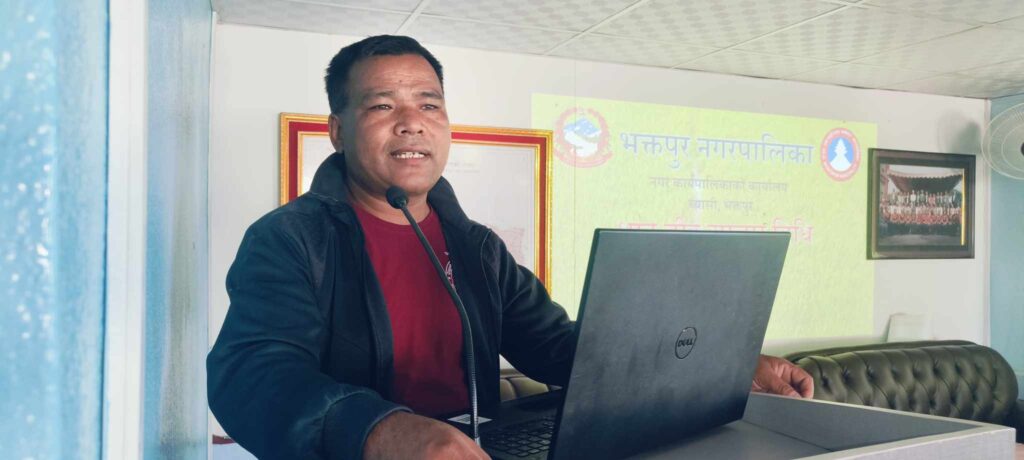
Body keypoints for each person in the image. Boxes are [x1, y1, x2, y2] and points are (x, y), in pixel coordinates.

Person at [207, 35, 814, 460]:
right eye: (382, 106)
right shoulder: (291, 239)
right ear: (338, 131)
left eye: (429, 104)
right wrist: (383, 431)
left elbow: (563, 350)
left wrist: (729, 367)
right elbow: (252, 377)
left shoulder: (478, 249)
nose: (412, 122)